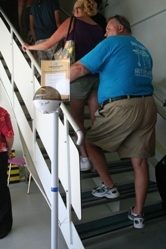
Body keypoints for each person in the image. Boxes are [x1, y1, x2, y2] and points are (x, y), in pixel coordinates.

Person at [70, 15, 157, 229]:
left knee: (89, 141)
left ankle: (109, 186)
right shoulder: (142, 49)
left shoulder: (112, 43)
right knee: (139, 162)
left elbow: (80, 68)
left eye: (108, 28)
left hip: (123, 106)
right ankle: (138, 213)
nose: (105, 33)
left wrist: (50, 81)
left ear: (119, 27)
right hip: (147, 106)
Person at [22, 0, 104, 171]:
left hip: (76, 76)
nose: (73, 12)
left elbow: (48, 44)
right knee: (96, 124)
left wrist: (29, 46)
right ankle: (99, 160)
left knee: (77, 120)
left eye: (74, 9)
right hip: (96, 78)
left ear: (78, 9)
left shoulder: (72, 22)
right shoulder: (98, 28)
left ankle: (84, 158)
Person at [0, 106, 14, 238]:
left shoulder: (2, 113)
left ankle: (4, 225)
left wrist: (7, 151)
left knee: (1, 190)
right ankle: (3, 225)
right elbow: (9, 136)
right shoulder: (2, 112)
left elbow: (9, 136)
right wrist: (8, 150)